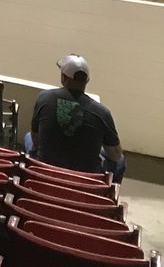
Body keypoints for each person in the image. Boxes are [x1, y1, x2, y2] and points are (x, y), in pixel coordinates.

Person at [27, 54, 125, 182]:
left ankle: (28, 178)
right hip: (83, 179)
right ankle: (107, 197)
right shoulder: (102, 113)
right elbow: (115, 155)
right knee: (121, 161)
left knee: (27, 138)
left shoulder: (44, 98)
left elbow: (36, 139)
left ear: (63, 78)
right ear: (87, 81)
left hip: (46, 170)